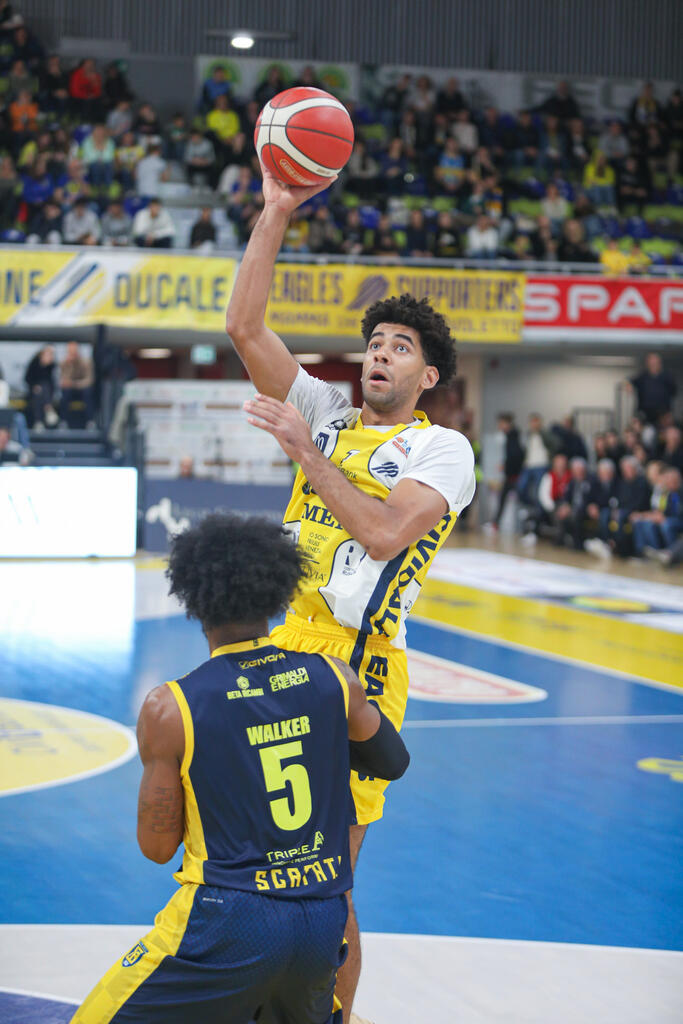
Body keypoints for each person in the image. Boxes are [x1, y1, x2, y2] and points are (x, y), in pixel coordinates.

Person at [226, 167, 475, 1022]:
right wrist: (275, 209)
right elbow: (244, 326)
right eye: (375, 341)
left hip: (357, 667)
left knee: (325, 874)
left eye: (400, 346)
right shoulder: (326, 413)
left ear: (427, 375)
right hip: (279, 649)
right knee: (261, 858)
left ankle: (332, 1015)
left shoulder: (441, 450)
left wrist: (304, 451)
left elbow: (380, 534)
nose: (380, 352)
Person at [70, 512, 409, 1024]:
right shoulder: (336, 678)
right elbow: (392, 762)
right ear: (278, 592)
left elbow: (157, 848)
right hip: (321, 921)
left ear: (194, 600)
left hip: (228, 921)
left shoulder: (170, 708)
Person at [628, 354, 677, 426]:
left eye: (655, 363)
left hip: (663, 414)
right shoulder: (642, 377)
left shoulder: (667, 377)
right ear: (647, 364)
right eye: (651, 364)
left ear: (660, 364)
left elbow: (674, 392)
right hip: (645, 413)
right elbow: (630, 381)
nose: (653, 365)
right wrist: (629, 385)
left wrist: (668, 412)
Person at [59, 341, 95, 427]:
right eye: (70, 352)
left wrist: (74, 384)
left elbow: (89, 381)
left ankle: (90, 421)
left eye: (74, 352)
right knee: (65, 393)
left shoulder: (86, 362)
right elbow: (63, 381)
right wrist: (69, 366)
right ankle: (63, 421)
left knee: (88, 393)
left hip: (82, 389)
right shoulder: (64, 363)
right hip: (70, 390)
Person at [24, 344, 57, 428]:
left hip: (48, 392)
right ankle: (48, 408)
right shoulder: (34, 363)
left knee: (43, 388)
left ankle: (38, 421)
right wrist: (34, 386)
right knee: (38, 393)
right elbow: (27, 378)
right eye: (48, 354)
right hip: (34, 390)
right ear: (42, 354)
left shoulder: (51, 366)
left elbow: (51, 382)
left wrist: (46, 366)